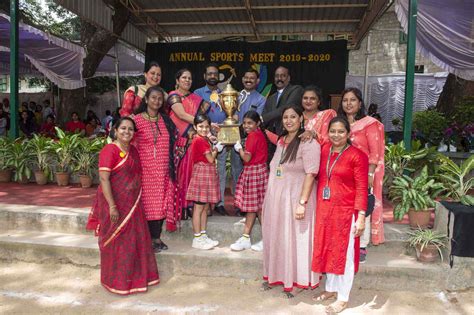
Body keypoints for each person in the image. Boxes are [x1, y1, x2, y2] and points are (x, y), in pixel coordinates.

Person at [86, 117, 159, 295]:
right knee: (117, 243)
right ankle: (116, 281)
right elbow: (104, 179)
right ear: (115, 130)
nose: (127, 132)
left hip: (133, 205)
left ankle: (136, 278)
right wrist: (112, 206)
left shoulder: (133, 151)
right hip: (115, 205)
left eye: (131, 129)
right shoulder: (109, 150)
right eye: (123, 128)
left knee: (134, 242)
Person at [262, 105, 321, 297]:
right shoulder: (281, 141)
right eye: (285, 117)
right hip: (278, 201)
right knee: (279, 239)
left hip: (296, 200)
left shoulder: (308, 142)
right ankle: (278, 275)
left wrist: (302, 203)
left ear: (301, 118)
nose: (288, 120)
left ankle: (298, 281)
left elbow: (311, 174)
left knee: (297, 240)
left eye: (293, 117)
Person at [312, 117, 368, 313]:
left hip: (346, 212)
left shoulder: (357, 155)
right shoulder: (324, 149)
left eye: (341, 132)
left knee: (344, 255)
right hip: (325, 210)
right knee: (328, 249)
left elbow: (362, 188)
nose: (336, 135)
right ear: (328, 132)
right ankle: (331, 289)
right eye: (333, 131)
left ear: (348, 133)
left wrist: (361, 216)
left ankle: (343, 297)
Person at [337, 87, 385, 262]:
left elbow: (375, 151)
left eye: (352, 100)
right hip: (342, 173)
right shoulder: (339, 124)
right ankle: (346, 241)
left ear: (360, 103)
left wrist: (371, 173)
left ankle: (362, 245)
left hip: (363, 172)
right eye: (345, 100)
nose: (348, 103)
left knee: (363, 207)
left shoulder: (369, 123)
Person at [133, 86, 178, 252]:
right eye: (153, 98)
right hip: (144, 171)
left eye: (160, 98)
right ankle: (146, 239)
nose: (157, 101)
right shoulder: (136, 120)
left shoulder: (165, 120)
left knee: (161, 204)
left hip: (163, 171)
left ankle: (156, 238)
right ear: (146, 99)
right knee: (146, 205)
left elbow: (177, 139)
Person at [168, 69, 210, 220]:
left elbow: (204, 113)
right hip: (179, 142)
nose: (187, 80)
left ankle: (194, 206)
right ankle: (180, 207)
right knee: (181, 175)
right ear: (178, 80)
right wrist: (203, 124)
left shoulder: (196, 99)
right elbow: (180, 115)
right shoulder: (173, 96)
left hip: (194, 142)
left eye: (190, 78)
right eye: (184, 78)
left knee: (193, 174)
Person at [230, 111, 268, 252]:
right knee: (257, 208)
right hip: (260, 172)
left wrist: (239, 149)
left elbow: (246, 158)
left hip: (254, 172)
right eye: (244, 123)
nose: (246, 126)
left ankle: (265, 240)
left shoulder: (253, 136)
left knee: (258, 209)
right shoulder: (259, 134)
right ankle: (246, 237)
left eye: (250, 123)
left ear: (257, 123)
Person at [194, 63, 228, 216]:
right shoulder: (198, 93)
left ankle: (219, 203)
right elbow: (195, 115)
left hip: (221, 138)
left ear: (219, 76)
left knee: (220, 170)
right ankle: (204, 204)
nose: (212, 76)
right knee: (202, 172)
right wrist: (207, 131)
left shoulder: (225, 94)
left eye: (215, 74)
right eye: (210, 74)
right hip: (202, 138)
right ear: (204, 76)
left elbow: (229, 115)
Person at [231, 69, 267, 211]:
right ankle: (238, 203)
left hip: (250, 139)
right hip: (235, 137)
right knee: (236, 170)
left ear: (257, 81)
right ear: (242, 79)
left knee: (249, 174)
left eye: (252, 78)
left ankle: (249, 205)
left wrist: (243, 125)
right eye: (246, 77)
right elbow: (230, 116)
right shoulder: (235, 96)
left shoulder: (261, 99)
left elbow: (255, 118)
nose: (248, 80)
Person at [185, 114, 222, 250]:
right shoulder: (199, 140)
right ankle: (197, 237)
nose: (204, 129)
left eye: (207, 126)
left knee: (205, 207)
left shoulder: (203, 139)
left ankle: (203, 234)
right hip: (202, 173)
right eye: (200, 126)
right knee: (199, 207)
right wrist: (217, 148)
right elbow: (211, 159)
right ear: (195, 127)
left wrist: (212, 141)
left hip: (207, 174)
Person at [262, 66, 303, 135]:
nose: (279, 78)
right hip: (271, 137)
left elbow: (286, 108)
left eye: (283, 76)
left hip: (288, 134)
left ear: (288, 78)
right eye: (277, 76)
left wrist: (262, 118)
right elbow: (265, 117)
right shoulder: (270, 98)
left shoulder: (296, 90)